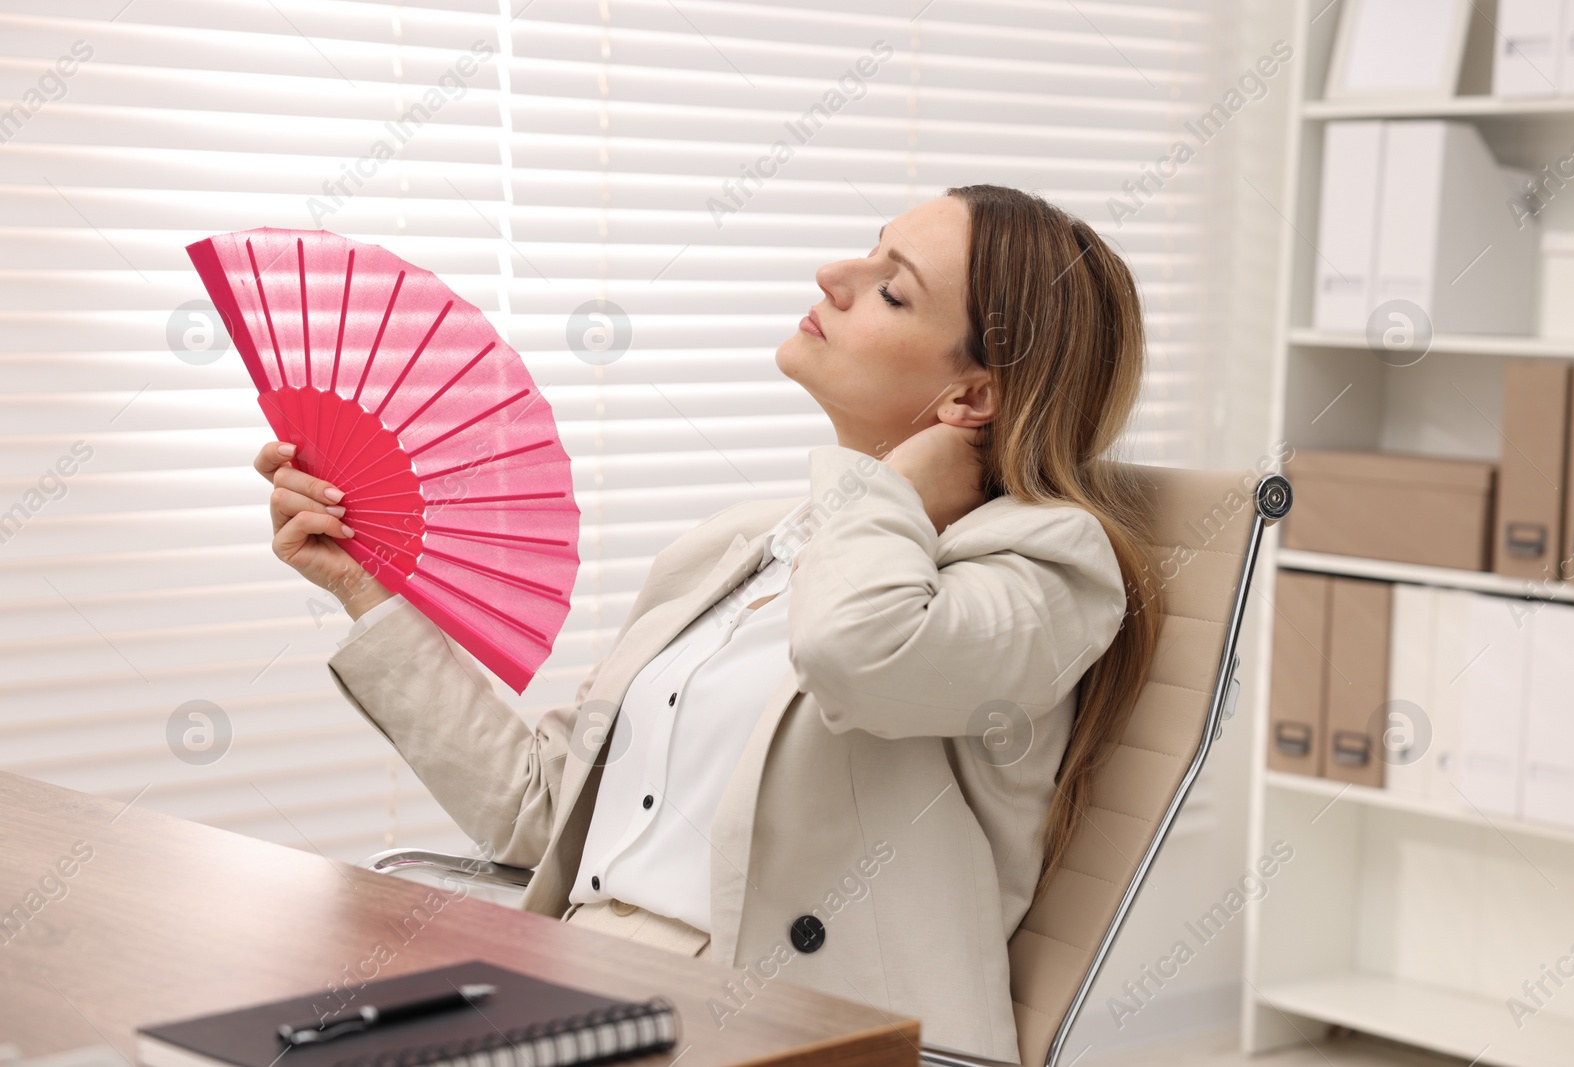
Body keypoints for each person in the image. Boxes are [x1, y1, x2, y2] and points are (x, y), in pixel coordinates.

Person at [252, 184, 1159, 1063]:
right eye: (867, 248)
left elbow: (857, 652)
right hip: (580, 987)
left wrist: (880, 487)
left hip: (789, 1029)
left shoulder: (1046, 566)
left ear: (971, 398)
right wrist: (367, 593)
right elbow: (542, 811)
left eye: (891, 287)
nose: (830, 274)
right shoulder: (741, 546)